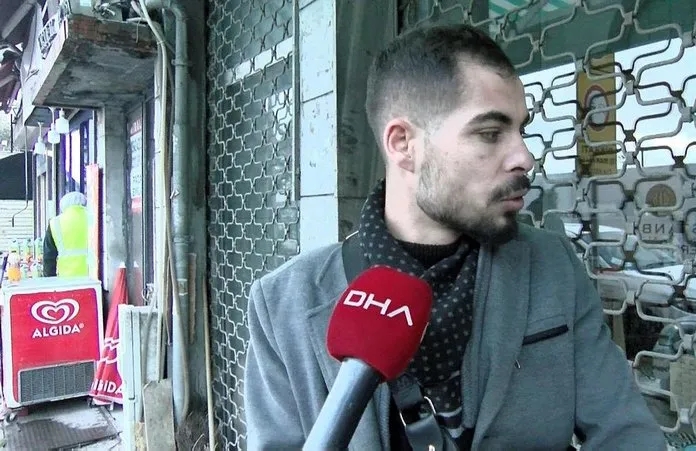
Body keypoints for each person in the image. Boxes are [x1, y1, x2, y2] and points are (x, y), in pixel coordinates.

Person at [244, 24, 667, 450]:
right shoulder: (284, 305)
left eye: (520, 131)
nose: (525, 157)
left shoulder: (552, 265)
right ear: (403, 144)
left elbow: (626, 434)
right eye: (490, 133)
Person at [43, 191, 91, 277]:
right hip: (92, 276)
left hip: (66, 278)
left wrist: (49, 279)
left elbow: (48, 257)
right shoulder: (93, 218)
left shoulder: (55, 222)